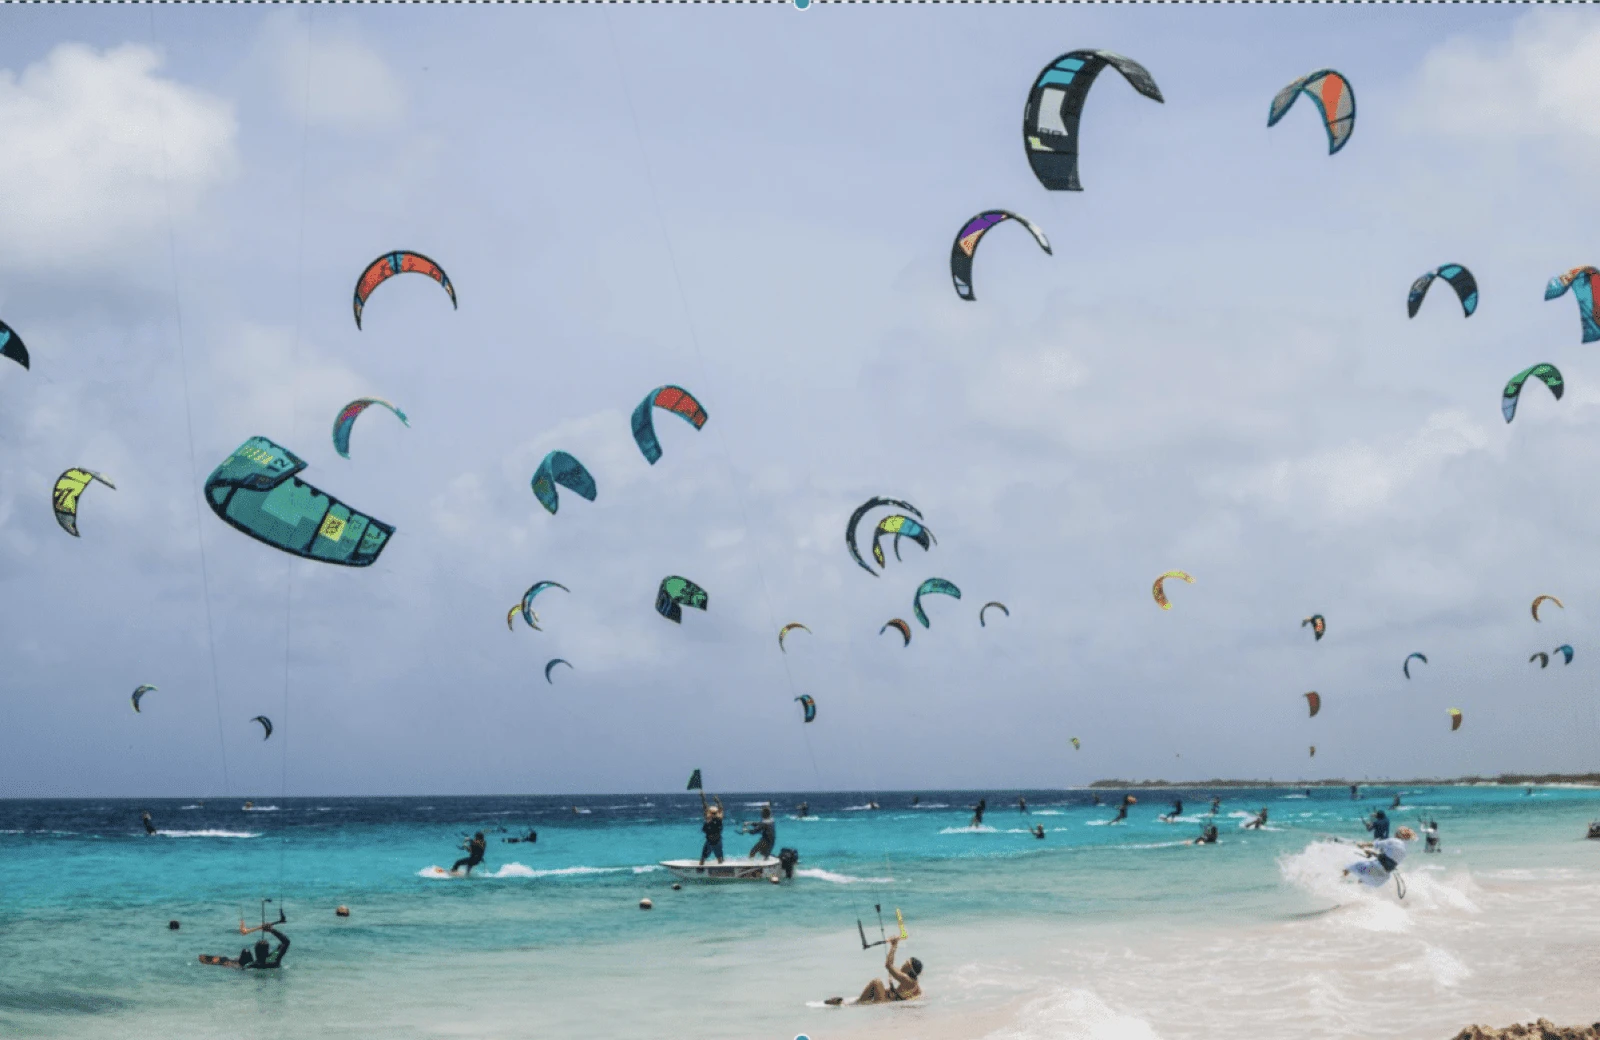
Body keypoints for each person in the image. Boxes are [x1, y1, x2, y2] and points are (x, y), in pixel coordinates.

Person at [825, 937, 922, 1006]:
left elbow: (888, 965)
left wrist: (894, 945)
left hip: (883, 1005)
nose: (902, 964)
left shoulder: (906, 979)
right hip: (886, 1003)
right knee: (885, 989)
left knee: (877, 982)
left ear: (909, 967)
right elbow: (891, 966)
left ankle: (850, 1005)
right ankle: (854, 1003)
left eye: (905, 963)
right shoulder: (913, 983)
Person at [203, 914, 290, 970]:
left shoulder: (252, 965)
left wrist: (230, 963)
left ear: (256, 952)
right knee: (279, 947)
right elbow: (286, 942)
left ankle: (233, 961)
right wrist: (272, 930)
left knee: (246, 952)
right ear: (267, 951)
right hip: (269, 968)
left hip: (244, 968)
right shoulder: (273, 961)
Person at [1343, 827, 1416, 889]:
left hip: (1375, 868)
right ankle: (1355, 897)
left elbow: (1375, 844)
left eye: (1396, 833)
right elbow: (1388, 859)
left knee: (1349, 867)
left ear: (1398, 834)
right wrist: (1372, 853)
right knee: (1362, 881)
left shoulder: (1393, 841)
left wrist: (1362, 844)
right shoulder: (1405, 850)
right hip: (1382, 878)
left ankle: (1339, 883)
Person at [698, 798, 725, 865]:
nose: (713, 814)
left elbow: (721, 809)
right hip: (709, 841)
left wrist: (718, 801)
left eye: (714, 813)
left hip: (717, 841)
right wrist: (703, 799)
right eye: (712, 813)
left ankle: (722, 870)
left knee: (719, 857)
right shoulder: (708, 818)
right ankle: (700, 869)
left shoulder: (719, 819)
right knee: (703, 857)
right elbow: (705, 808)